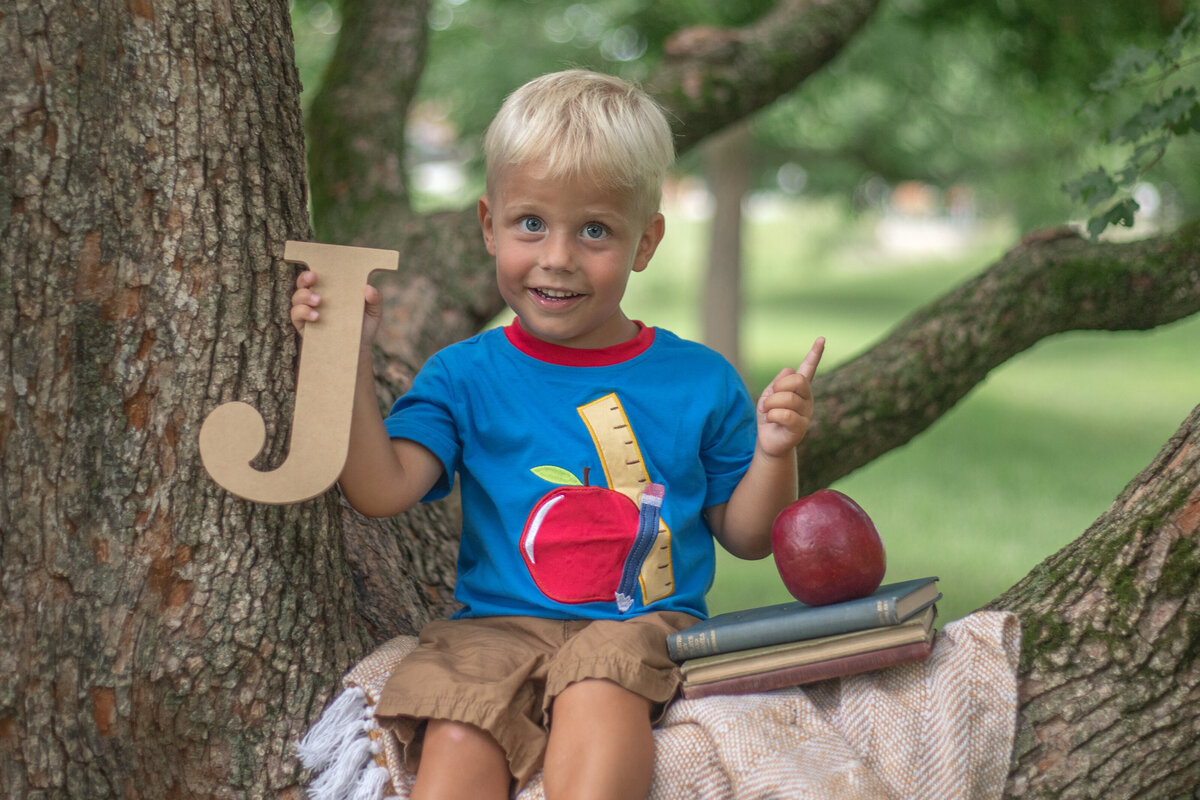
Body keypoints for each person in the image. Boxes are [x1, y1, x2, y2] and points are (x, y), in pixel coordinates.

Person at [291, 69, 825, 800]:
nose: (558, 257)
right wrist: (346, 358)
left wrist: (774, 451)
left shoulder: (698, 380)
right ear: (489, 225)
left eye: (595, 230)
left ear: (646, 242)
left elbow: (747, 534)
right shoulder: (464, 374)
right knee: (456, 723)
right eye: (531, 223)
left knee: (599, 689)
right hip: (494, 630)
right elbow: (380, 489)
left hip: (637, 626)